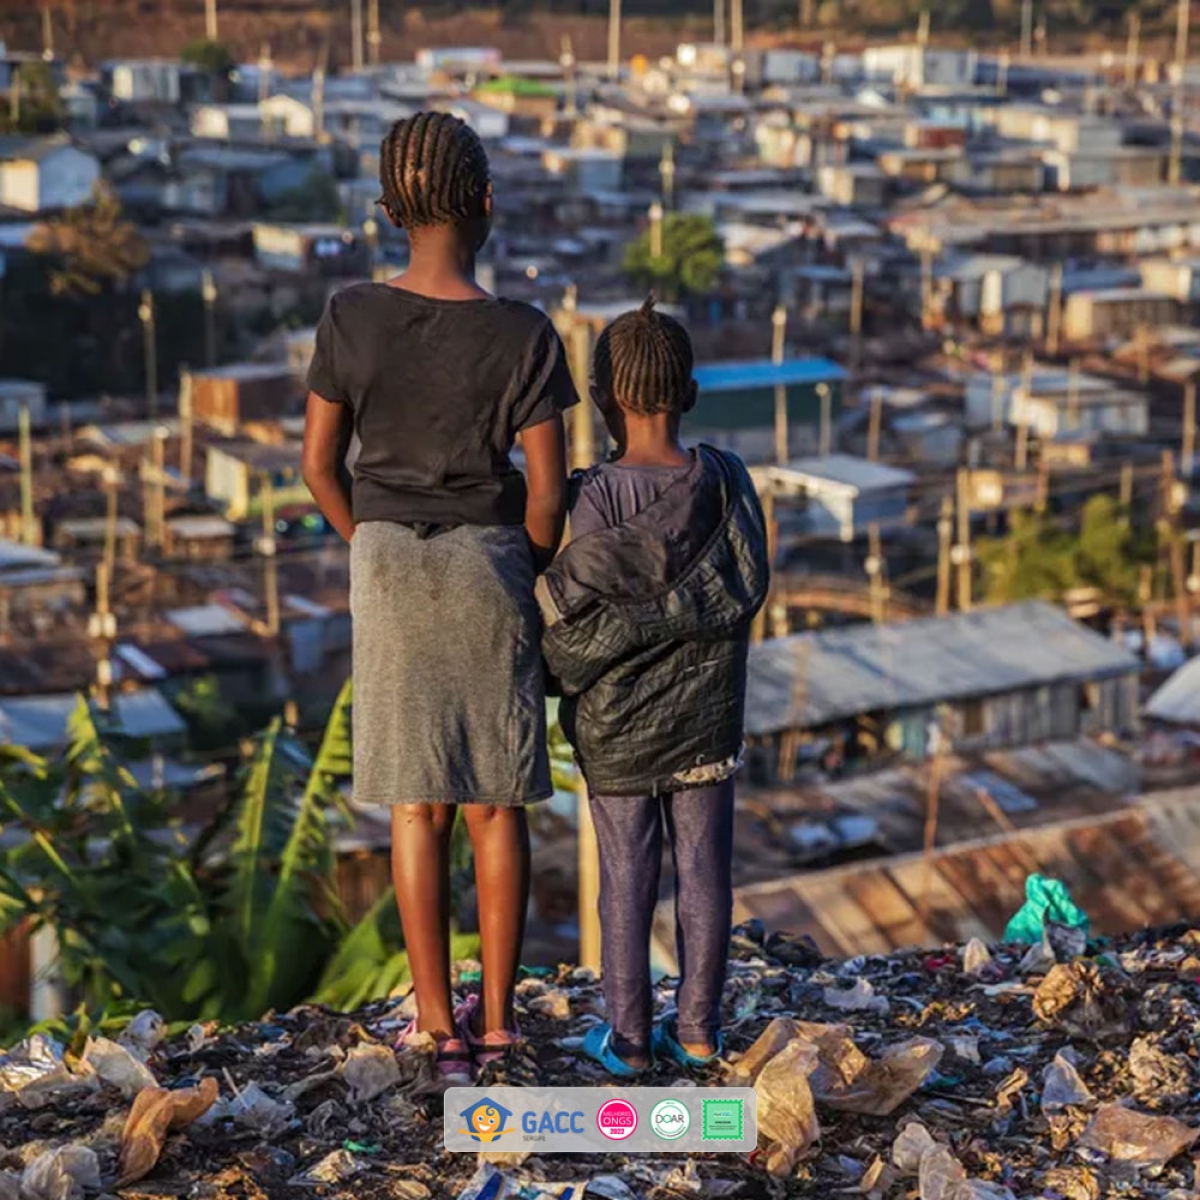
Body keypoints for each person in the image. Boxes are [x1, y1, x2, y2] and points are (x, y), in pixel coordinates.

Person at [302, 112, 577, 1079]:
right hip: (490, 564)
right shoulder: (524, 334)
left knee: (416, 809)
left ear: (388, 212)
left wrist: (371, 547)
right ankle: (498, 1022)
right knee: (498, 806)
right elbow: (547, 491)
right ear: (487, 207)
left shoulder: (350, 314)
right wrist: (524, 566)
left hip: (385, 565)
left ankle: (434, 1023)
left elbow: (318, 467)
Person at [539, 299, 770, 1076]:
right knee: (705, 875)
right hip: (708, 717)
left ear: (603, 396)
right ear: (692, 393)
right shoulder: (727, 482)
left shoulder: (595, 496)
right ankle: (700, 1031)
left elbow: (583, 613)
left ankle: (630, 1041)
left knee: (625, 883)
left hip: (616, 726)